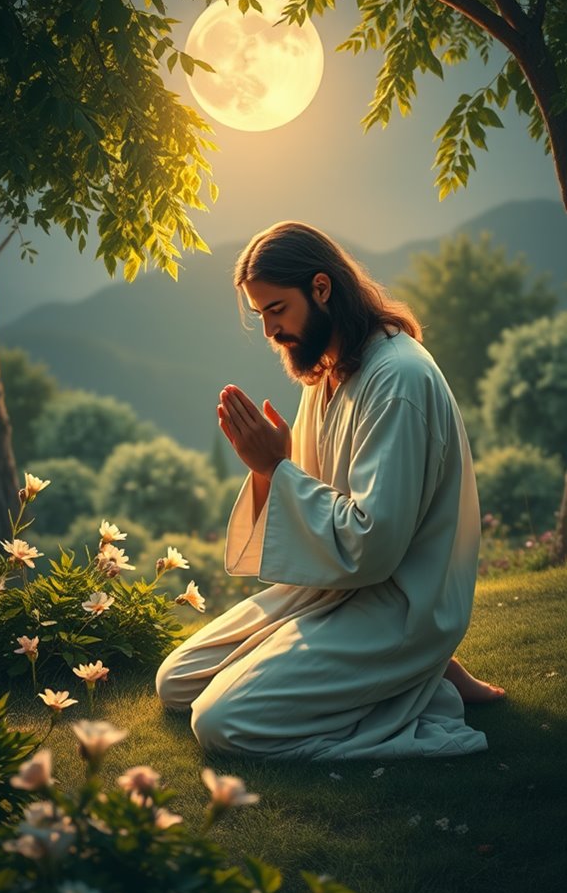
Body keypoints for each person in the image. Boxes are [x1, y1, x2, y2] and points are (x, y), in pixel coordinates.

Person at [156, 221, 504, 760]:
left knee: (221, 723)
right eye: (261, 315)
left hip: (398, 603)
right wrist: (271, 470)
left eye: (277, 309)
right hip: (333, 589)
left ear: (322, 288)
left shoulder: (399, 381)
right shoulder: (329, 372)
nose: (270, 331)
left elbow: (373, 545)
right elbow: (317, 498)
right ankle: (417, 680)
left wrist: (278, 467)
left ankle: (415, 684)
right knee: (176, 683)